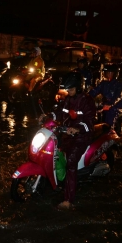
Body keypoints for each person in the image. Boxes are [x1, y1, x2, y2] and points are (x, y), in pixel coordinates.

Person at [40, 72, 96, 210]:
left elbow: (89, 122)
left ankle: (68, 200)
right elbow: (60, 111)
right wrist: (48, 116)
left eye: (71, 89)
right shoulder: (68, 99)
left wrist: (76, 129)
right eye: (68, 89)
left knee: (70, 163)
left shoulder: (87, 101)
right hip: (67, 134)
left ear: (78, 87)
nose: (69, 92)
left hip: (82, 137)